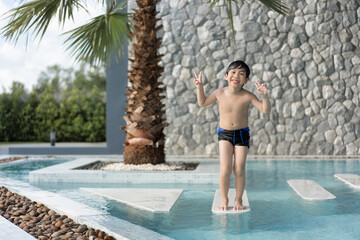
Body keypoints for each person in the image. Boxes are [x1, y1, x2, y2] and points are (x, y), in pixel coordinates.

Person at [193, 60, 271, 211]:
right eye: (233, 72)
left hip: (242, 134)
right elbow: (202, 102)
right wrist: (200, 87)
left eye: (241, 74)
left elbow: (265, 110)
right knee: (225, 169)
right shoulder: (219, 93)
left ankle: (238, 199)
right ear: (226, 76)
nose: (237, 75)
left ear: (246, 80)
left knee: (239, 168)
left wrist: (265, 97)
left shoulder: (248, 96)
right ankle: (224, 199)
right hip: (225, 134)